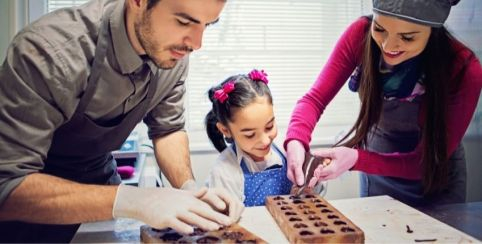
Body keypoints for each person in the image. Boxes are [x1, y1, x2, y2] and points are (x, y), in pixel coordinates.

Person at [0, 0, 244, 242]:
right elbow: (7, 185)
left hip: (99, 175)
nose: (196, 44)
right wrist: (133, 200)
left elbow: (168, 129)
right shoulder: (49, 53)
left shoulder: (174, 50)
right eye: (183, 21)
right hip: (33, 198)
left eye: (207, 25)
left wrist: (189, 188)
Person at [285, 0, 482, 207]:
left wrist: (357, 159)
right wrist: (296, 141)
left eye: (407, 37)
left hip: (434, 176)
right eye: (379, 29)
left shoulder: (464, 70)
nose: (388, 46)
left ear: (433, 31)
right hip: (377, 167)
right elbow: (314, 100)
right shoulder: (360, 34)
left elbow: (425, 162)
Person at [204, 69, 293, 207]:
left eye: (269, 127)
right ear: (226, 130)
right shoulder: (224, 172)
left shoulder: (286, 152)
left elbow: (310, 193)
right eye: (250, 134)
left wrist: (308, 184)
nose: (265, 141)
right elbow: (227, 220)